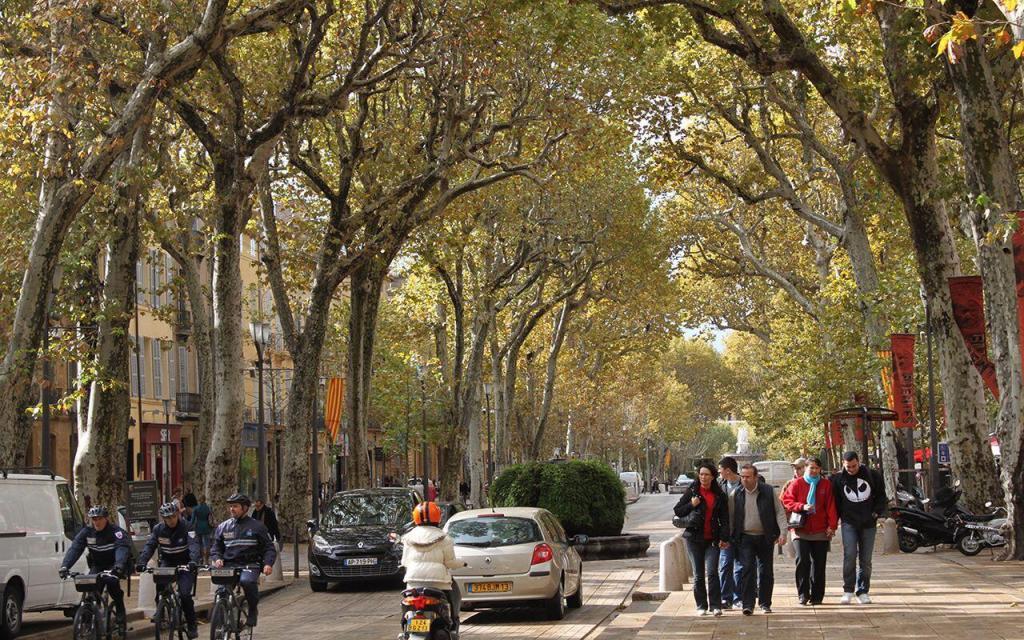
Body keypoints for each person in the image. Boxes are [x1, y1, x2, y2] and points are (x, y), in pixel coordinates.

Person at [59, 506, 132, 633]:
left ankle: (120, 613)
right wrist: (65, 566)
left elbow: (122, 549)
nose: (96, 522)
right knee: (90, 588)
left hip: (113, 565)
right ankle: (90, 618)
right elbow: (75, 548)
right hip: (97, 565)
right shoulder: (87, 532)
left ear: (106, 519)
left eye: (99, 519)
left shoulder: (116, 532)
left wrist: (119, 566)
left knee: (112, 584)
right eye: (94, 519)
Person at [136, 503, 202, 638]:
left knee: (184, 595)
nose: (171, 520)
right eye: (167, 517)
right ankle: (160, 608)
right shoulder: (158, 529)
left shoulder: (187, 526)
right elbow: (150, 546)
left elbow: (194, 545)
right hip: (168, 562)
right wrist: (141, 562)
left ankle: (191, 624)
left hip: (185, 563)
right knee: (160, 584)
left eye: (173, 516)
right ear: (163, 518)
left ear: (178, 514)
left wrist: (193, 561)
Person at [210, 494, 276, 627]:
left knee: (247, 581)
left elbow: (269, 548)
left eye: (235, 506)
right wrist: (217, 559)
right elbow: (216, 548)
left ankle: (252, 610)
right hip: (229, 565)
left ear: (245, 508)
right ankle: (222, 621)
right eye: (230, 506)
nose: (231, 509)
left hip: (250, 565)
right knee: (221, 591)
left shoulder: (257, 527)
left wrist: (268, 564)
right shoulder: (223, 527)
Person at [673, 464, 730, 616]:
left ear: (712, 477)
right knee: (698, 575)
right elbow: (678, 510)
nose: (703, 477)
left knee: (712, 572)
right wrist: (691, 504)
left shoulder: (719, 495)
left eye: (706, 474)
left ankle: (716, 605)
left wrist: (724, 537)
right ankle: (701, 606)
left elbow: (724, 519)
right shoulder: (692, 491)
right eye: (701, 474)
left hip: (712, 539)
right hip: (694, 538)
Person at [831, 451, 886, 604]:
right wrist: (836, 521)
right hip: (848, 523)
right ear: (843, 464)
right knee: (849, 555)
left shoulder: (872, 475)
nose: (851, 469)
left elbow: (881, 496)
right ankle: (848, 590)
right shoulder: (838, 479)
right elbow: (834, 501)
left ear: (859, 462)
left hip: (868, 523)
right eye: (848, 467)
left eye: (854, 466)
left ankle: (862, 590)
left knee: (865, 559)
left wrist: (875, 513)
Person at [731, 464, 787, 615]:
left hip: (765, 537)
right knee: (748, 569)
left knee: (765, 571)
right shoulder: (736, 493)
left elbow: (779, 512)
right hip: (745, 538)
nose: (745, 479)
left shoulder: (768, 491)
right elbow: (730, 517)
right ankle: (748, 604)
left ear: (755, 477)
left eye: (748, 476)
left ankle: (764, 603)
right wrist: (728, 537)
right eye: (742, 476)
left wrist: (783, 533)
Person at [401, 502, 463, 635]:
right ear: (438, 517)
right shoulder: (444, 538)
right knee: (455, 596)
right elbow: (450, 563)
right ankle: (452, 625)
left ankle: (405, 627)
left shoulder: (407, 538)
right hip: (439, 585)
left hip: (412, 584)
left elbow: (405, 562)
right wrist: (463, 563)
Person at [782, 457, 838, 606]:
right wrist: (801, 506)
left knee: (819, 564)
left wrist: (832, 526)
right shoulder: (797, 484)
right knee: (803, 561)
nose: (813, 471)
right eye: (810, 468)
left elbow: (831, 506)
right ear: (805, 468)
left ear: (820, 470)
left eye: (816, 468)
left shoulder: (826, 484)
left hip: (820, 530)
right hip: (801, 530)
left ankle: (817, 596)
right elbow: (787, 501)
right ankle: (803, 594)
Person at [716, 456, 743, 610]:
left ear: (728, 470)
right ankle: (725, 598)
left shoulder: (744, 483)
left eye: (720, 470)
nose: (719, 473)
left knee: (740, 566)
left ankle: (738, 597)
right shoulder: (720, 485)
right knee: (725, 565)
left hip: (742, 532)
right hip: (726, 533)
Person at [191, 495, 214, 564]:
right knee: (207, 544)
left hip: (198, 527)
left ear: (199, 500)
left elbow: (192, 520)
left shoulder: (196, 508)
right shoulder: (208, 508)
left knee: (200, 543)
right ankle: (206, 560)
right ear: (205, 500)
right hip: (207, 526)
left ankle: (201, 558)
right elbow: (211, 517)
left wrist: (190, 526)